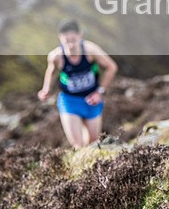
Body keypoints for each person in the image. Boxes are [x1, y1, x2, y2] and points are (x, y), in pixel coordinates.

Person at [38, 19, 118, 149]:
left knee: (93, 142)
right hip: (70, 101)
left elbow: (111, 67)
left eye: (73, 40)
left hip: (91, 100)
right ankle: (80, 166)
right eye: (66, 41)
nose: (70, 45)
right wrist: (45, 89)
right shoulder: (56, 56)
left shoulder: (90, 50)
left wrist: (100, 92)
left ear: (80, 35)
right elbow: (51, 72)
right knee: (77, 144)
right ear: (60, 38)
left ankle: (90, 165)